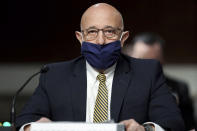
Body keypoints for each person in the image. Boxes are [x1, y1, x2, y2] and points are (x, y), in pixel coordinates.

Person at [16, 3, 185, 131]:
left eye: (109, 31)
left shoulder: (147, 72)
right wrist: (36, 127)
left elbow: (172, 122)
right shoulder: (54, 74)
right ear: (80, 37)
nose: (101, 41)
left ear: (123, 37)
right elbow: (24, 121)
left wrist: (146, 129)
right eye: (92, 32)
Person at [122, 32, 196, 130]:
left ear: (162, 61)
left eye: (153, 61)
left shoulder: (179, 88)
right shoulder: (119, 84)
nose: (146, 66)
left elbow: (188, 125)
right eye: (141, 59)